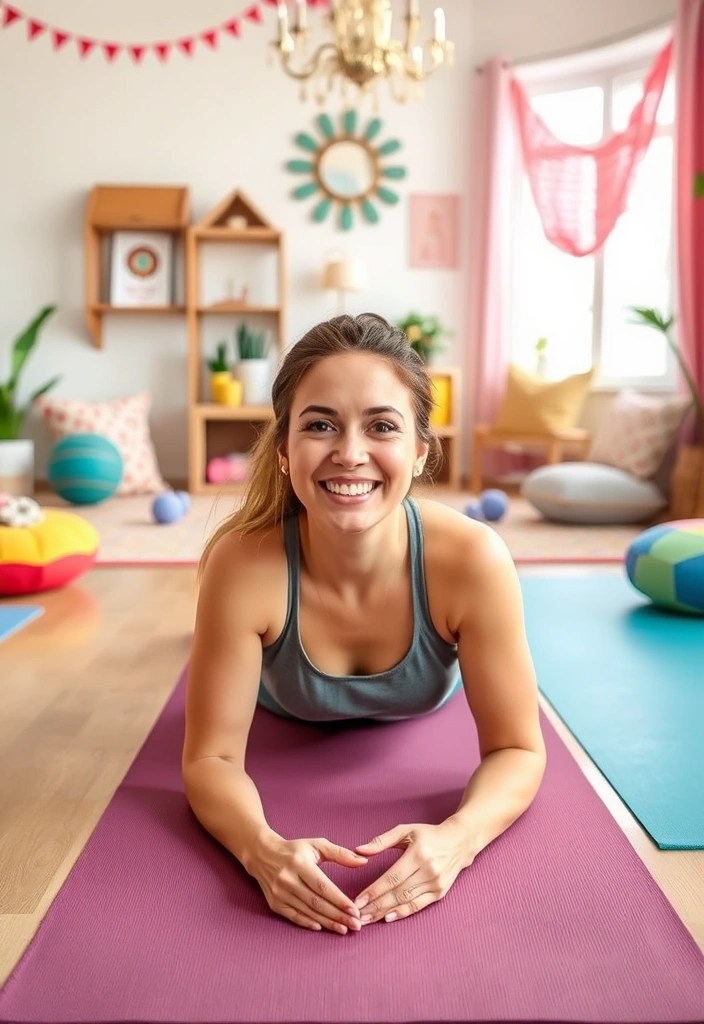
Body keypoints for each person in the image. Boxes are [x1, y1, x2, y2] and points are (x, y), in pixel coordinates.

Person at [182, 312, 546, 936]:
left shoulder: (474, 561)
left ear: (420, 450)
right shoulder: (243, 564)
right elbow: (210, 756)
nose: (350, 453)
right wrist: (262, 852)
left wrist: (458, 840)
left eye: (382, 426)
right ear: (284, 448)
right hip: (279, 707)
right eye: (320, 424)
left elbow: (518, 748)